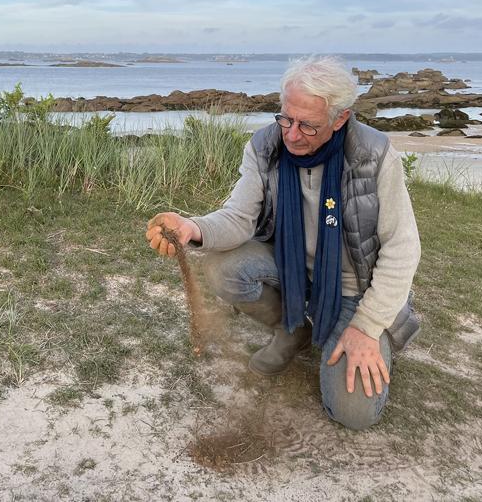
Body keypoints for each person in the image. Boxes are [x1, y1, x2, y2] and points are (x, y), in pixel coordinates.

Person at [145, 55, 421, 430]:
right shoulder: (265, 145)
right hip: (289, 267)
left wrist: (367, 327)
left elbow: (402, 248)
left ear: (340, 118)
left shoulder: (375, 154)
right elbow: (239, 217)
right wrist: (192, 228)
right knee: (222, 267)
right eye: (286, 118)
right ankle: (294, 330)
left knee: (354, 413)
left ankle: (367, 330)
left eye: (308, 125)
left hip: (355, 288)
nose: (291, 134)